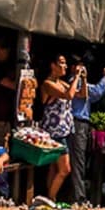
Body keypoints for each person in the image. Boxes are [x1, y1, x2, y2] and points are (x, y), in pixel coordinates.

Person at [67, 55, 105, 202]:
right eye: (79, 66)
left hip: (81, 124)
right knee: (77, 160)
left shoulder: (80, 81)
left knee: (78, 160)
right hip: (76, 123)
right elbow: (94, 93)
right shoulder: (73, 82)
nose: (82, 69)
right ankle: (79, 198)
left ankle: (76, 195)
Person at [40, 55, 76, 200]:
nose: (65, 66)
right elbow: (69, 95)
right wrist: (77, 76)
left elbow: (81, 94)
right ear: (52, 65)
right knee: (65, 169)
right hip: (54, 130)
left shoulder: (62, 83)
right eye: (61, 63)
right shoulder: (48, 84)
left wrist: (82, 79)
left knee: (54, 168)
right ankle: (51, 198)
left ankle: (49, 197)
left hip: (64, 129)